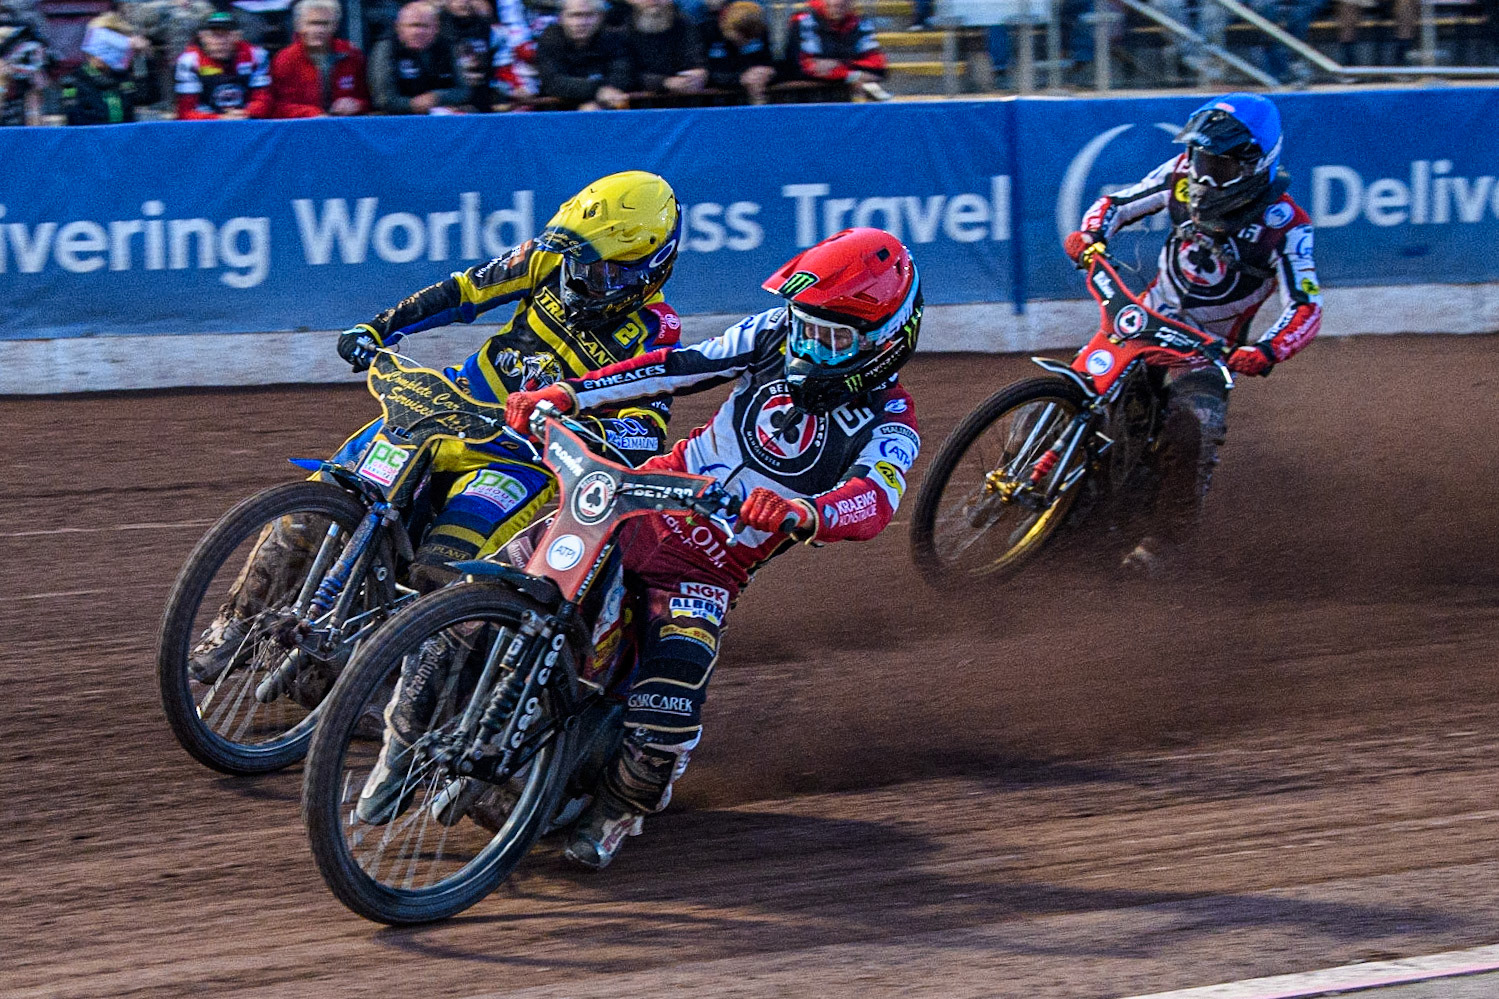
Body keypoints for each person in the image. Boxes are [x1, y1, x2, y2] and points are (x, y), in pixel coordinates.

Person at [500, 227, 923, 869]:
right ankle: (403, 725)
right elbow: (681, 366)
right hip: (636, 502)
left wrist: (802, 511)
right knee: (497, 581)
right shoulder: (770, 334)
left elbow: (875, 500)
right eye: (802, 324)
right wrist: (570, 393)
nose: (806, 343)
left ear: (884, 343)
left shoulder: (893, 422)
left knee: (667, 707)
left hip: (708, 571)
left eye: (829, 337)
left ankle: (619, 810)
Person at [1062, 93, 1321, 572]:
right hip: (1144, 320)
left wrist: (1266, 350)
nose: (1203, 176)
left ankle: (1166, 543)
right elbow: (1117, 204)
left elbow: (1307, 306)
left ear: (1253, 164)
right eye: (1200, 159)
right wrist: (1091, 235)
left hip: (1208, 353)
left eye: (1218, 166)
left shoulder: (1286, 226)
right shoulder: (1181, 173)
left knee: (1193, 429)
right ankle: (1040, 474)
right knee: (1077, 389)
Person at [267, 0, 369, 117]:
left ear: (335, 25)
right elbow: (276, 107)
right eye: (312, 23)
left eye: (325, 24)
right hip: (300, 129)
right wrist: (313, 113)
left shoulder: (351, 54)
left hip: (345, 126)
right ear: (298, 25)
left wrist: (357, 105)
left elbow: (369, 100)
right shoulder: (285, 59)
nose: (319, 30)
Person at [370, 0, 469, 112]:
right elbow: (382, 99)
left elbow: (464, 91)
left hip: (442, 115)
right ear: (399, 28)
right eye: (412, 26)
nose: (418, 32)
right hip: (398, 119)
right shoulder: (386, 48)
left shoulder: (447, 46)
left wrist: (437, 97)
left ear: (436, 28)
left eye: (425, 26)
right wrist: (412, 104)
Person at [60, 14, 160, 124]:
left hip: (124, 138)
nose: (100, 55)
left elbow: (147, 98)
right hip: (94, 138)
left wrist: (141, 58)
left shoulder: (122, 77)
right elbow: (76, 119)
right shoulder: (74, 81)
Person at [174, 10, 272, 119]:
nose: (220, 41)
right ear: (202, 37)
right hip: (205, 125)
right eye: (213, 35)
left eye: (226, 34)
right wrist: (219, 118)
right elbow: (185, 112)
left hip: (246, 120)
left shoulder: (256, 55)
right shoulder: (189, 61)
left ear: (237, 36)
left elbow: (264, 101)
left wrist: (246, 113)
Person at [533, 0, 631, 108]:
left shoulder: (612, 39)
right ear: (561, 18)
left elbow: (622, 73)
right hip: (557, 113)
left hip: (603, 108)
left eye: (588, 15)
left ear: (600, 17)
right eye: (573, 15)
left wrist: (599, 101)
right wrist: (598, 91)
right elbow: (553, 82)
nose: (580, 23)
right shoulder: (549, 40)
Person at [786, 0, 889, 101]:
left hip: (842, 98)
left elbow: (878, 66)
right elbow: (808, 67)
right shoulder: (803, 20)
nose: (837, 2)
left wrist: (839, 64)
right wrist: (853, 75)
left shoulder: (861, 23)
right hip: (803, 99)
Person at [624, 0, 705, 97]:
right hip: (638, 100)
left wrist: (698, 74)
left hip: (681, 97)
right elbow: (624, 74)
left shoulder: (684, 24)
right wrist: (665, 82)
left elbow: (695, 59)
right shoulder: (622, 27)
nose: (653, 1)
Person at [700, 0, 775, 103]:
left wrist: (767, 72)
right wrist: (740, 79)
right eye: (738, 37)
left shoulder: (760, 31)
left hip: (754, 91)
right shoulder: (707, 30)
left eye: (748, 39)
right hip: (716, 100)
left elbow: (770, 63)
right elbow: (705, 74)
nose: (742, 42)